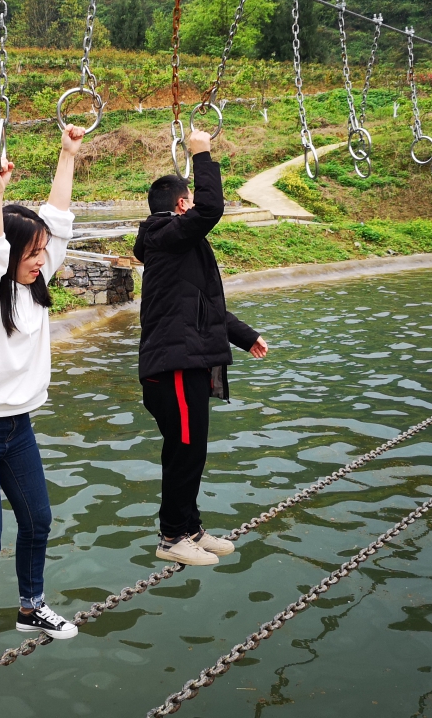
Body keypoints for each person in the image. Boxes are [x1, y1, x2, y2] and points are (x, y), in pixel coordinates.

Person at [0, 124, 86, 689]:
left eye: (42, 252)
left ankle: (31, 606)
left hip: (17, 430)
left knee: (40, 520)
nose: (40, 259)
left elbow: (59, 216)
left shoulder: (36, 281)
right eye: (31, 253)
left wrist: (67, 154)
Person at [134, 128, 267, 567]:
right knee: (185, 451)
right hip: (174, 365)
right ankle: (172, 536)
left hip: (185, 361)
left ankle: (189, 528)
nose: (194, 204)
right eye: (190, 198)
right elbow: (213, 208)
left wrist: (246, 337)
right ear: (181, 204)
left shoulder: (176, 246)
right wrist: (201, 153)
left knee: (191, 450)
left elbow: (206, 307)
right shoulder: (166, 235)